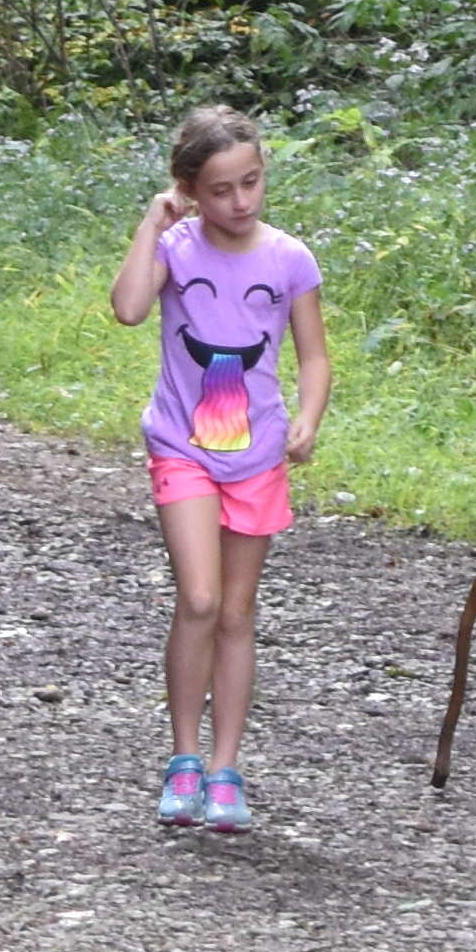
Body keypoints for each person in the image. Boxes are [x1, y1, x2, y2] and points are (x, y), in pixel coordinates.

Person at [113, 103, 327, 837]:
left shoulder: (290, 259)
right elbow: (130, 309)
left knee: (238, 612)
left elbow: (314, 356)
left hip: (258, 455)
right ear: (190, 191)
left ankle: (226, 767)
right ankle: (183, 758)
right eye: (221, 190)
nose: (239, 202)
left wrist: (308, 416)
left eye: (251, 183)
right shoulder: (175, 246)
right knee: (199, 599)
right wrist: (152, 222)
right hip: (182, 446)